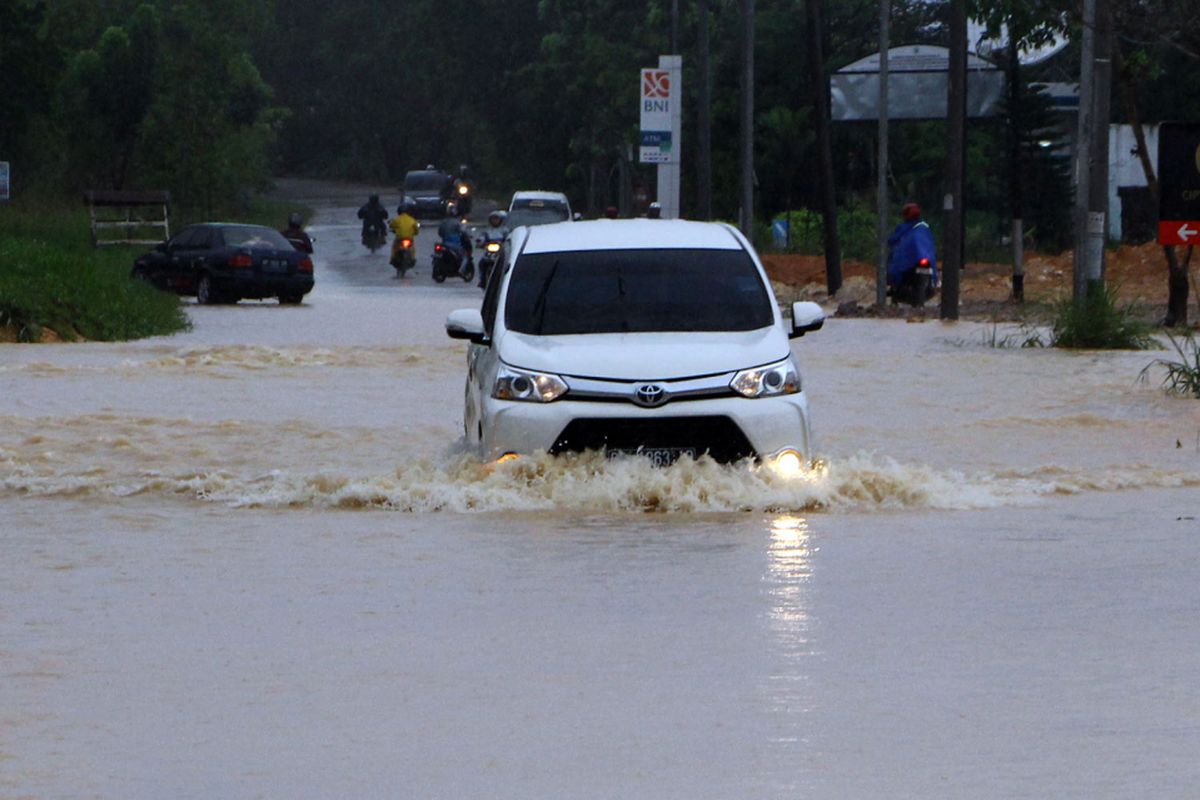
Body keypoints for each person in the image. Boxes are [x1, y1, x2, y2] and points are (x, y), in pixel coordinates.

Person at [886, 202, 939, 306]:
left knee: (895, 267)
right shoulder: (924, 226)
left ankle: (896, 288)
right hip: (924, 258)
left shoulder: (904, 228)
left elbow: (893, 240)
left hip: (910, 261)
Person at [437, 201, 473, 275]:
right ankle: (461, 270)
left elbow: (440, 233)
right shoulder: (457, 223)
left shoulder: (443, 222)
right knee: (465, 256)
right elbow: (463, 231)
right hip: (454, 245)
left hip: (444, 243)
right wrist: (469, 235)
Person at [475, 210, 509, 287]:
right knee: (482, 263)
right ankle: (482, 280)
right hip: (489, 253)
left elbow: (508, 239)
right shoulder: (487, 230)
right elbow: (482, 238)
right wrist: (480, 242)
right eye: (493, 219)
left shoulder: (505, 230)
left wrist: (505, 244)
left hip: (500, 254)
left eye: (496, 219)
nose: (495, 221)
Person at [389, 198, 420, 270]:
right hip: (409, 238)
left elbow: (391, 225)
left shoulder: (397, 219)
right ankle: (412, 258)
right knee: (412, 248)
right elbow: (416, 229)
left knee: (394, 247)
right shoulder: (412, 219)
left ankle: (392, 258)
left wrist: (393, 229)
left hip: (399, 238)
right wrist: (415, 233)